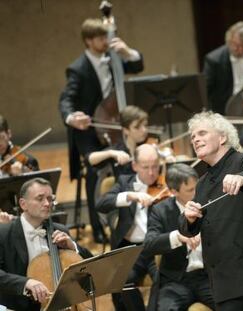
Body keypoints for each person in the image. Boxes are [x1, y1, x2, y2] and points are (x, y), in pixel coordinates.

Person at [59, 18, 144, 243]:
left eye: (107, 36)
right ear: (88, 41)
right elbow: (66, 99)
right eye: (100, 38)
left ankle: (129, 216)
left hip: (113, 125)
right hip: (88, 130)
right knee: (94, 171)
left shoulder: (113, 58)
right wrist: (71, 117)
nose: (106, 41)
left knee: (127, 160)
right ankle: (97, 226)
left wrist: (127, 52)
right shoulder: (77, 69)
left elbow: (137, 65)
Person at [178, 111, 243, 311]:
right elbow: (187, 231)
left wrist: (242, 178)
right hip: (219, 282)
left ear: (222, 137)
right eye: (193, 136)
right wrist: (189, 217)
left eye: (202, 133)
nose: (195, 139)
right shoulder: (202, 183)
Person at [0, 178, 91, 311]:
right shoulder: (3, 233)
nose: (47, 203)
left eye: (50, 198)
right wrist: (26, 283)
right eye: (40, 198)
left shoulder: (59, 230)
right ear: (23, 204)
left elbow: (89, 266)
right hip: (18, 306)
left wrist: (73, 247)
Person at [96, 143, 165, 311]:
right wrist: (130, 196)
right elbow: (101, 204)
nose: (151, 173)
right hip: (130, 249)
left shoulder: (166, 185)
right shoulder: (124, 182)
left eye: (155, 167)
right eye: (146, 167)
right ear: (134, 166)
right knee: (122, 280)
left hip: (157, 248)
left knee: (164, 279)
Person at [143, 163, 215, 311]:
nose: (197, 193)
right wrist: (178, 236)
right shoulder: (160, 210)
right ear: (173, 191)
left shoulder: (209, 203)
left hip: (208, 277)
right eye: (190, 190)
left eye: (197, 186)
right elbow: (149, 244)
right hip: (176, 281)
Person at [88, 105, 149, 178]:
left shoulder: (147, 145)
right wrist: (110, 153)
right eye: (137, 127)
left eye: (145, 125)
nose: (144, 130)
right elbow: (89, 159)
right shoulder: (118, 150)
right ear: (126, 130)